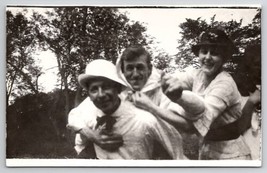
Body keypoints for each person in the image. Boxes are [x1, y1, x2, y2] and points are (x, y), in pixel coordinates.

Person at [162, 28, 252, 160]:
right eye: (204, 52)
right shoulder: (197, 75)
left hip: (231, 156)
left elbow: (196, 122)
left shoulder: (225, 84)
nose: (207, 57)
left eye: (214, 53)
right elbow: (170, 80)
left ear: (224, 58)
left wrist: (153, 108)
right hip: (206, 151)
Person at [68, 59, 185, 159]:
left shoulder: (143, 119)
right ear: (88, 95)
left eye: (106, 87)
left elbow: (174, 143)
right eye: (94, 89)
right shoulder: (89, 108)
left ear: (118, 89)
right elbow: (73, 117)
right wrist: (94, 137)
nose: (101, 95)